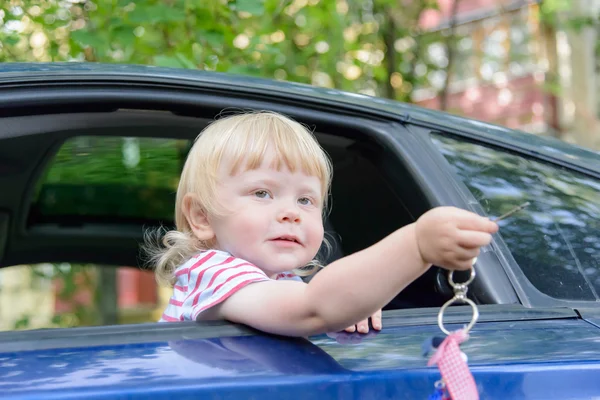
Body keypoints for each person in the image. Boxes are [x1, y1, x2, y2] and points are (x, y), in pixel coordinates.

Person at [147, 111, 498, 337]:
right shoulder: (212, 273)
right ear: (202, 217)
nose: (291, 212)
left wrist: (354, 300)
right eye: (262, 192)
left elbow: (321, 301)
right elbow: (312, 308)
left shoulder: (281, 281)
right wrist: (417, 244)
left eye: (305, 200)